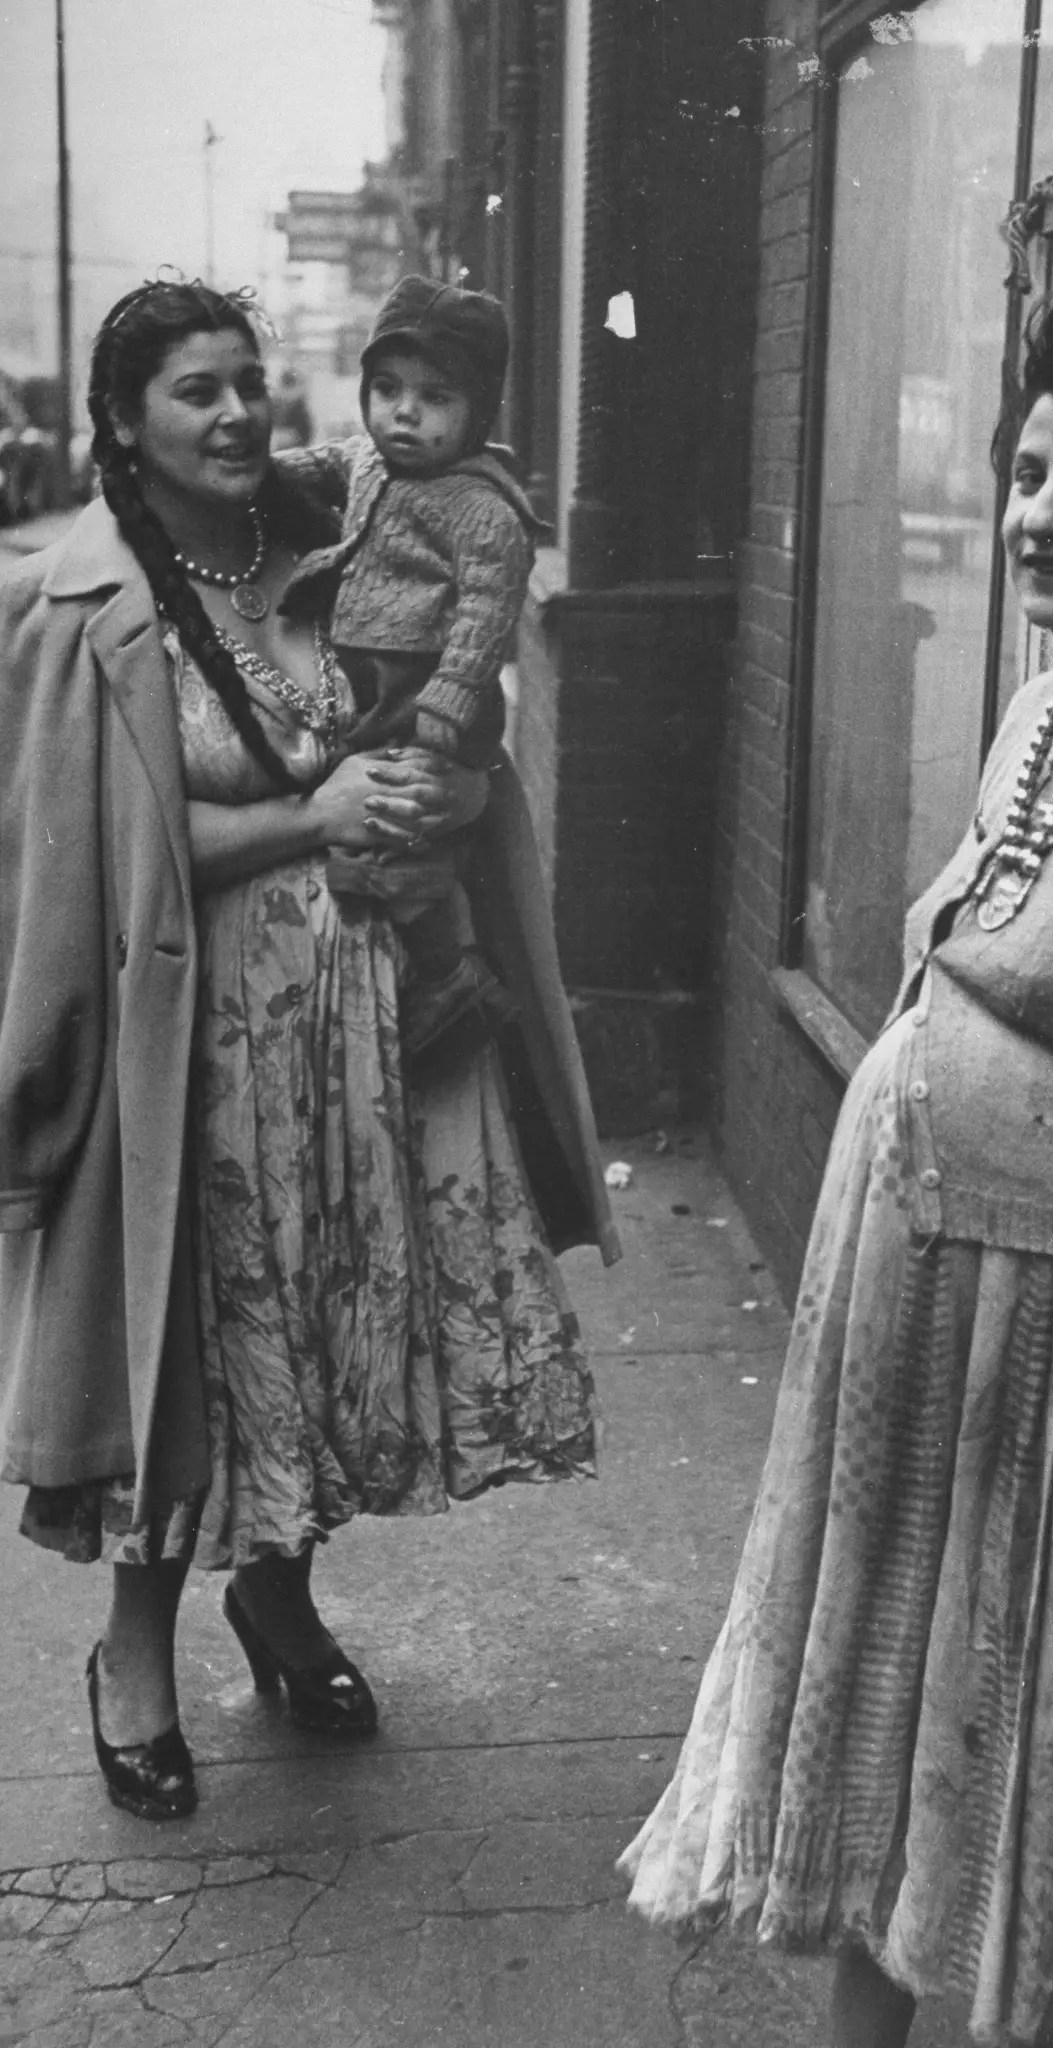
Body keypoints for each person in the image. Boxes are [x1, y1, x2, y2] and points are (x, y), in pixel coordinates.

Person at [620, 289, 1053, 2048]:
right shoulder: (1030, 712)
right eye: (1028, 472)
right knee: (890, 1705)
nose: (1045, 515)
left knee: (1006, 1737)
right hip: (918, 1306)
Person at [0, 277, 619, 1825]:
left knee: (321, 1320)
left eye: (248, 385)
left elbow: (453, 728)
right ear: (124, 423)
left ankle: (274, 1599)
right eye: (194, 391)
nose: (232, 415)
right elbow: (88, 863)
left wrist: (439, 808)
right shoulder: (83, 608)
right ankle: (131, 1661)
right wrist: (312, 817)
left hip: (359, 1039)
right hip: (188, 1053)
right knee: (186, 1347)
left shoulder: (339, 532)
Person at [277, 276, 540, 1066]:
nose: (403, 412)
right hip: (366, 672)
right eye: (386, 389)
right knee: (360, 802)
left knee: (402, 816)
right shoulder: (367, 459)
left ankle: (448, 975)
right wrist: (260, 475)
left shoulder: (480, 507)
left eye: (434, 397)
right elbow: (315, 466)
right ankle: (413, 962)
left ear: (479, 409)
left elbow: (488, 608)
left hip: (423, 686)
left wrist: (450, 700)